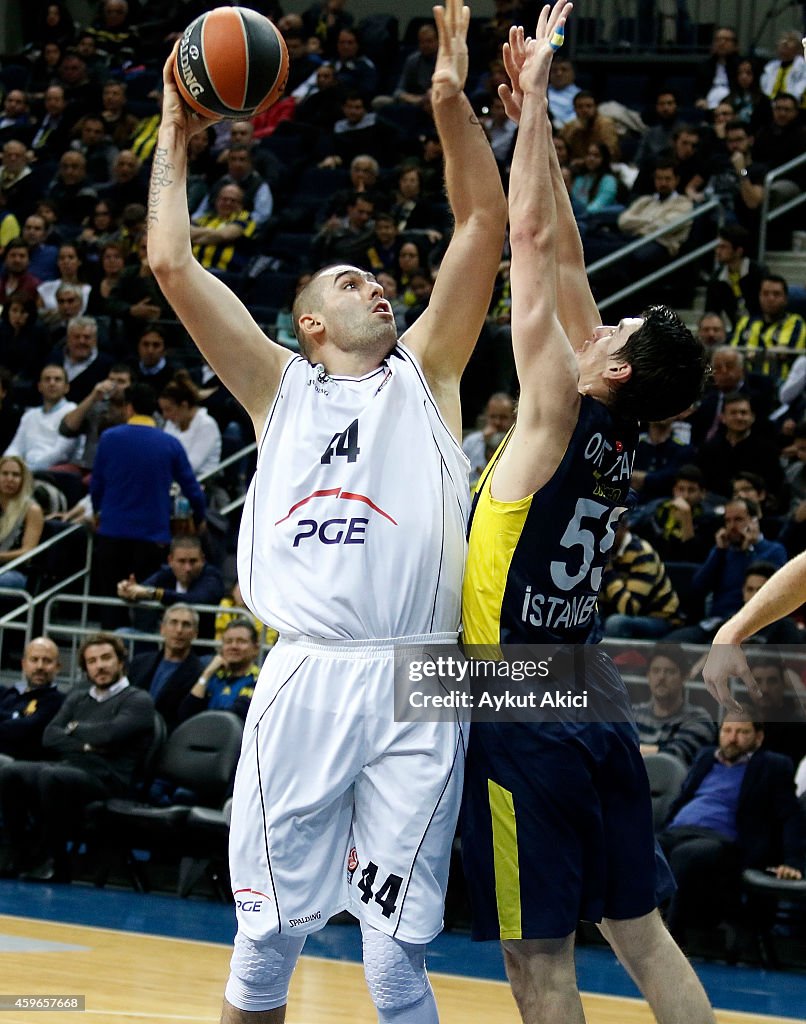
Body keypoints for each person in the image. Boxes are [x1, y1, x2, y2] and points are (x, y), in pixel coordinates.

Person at [146, 0, 506, 1020]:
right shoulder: (278, 387)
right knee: (265, 941)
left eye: (377, 278)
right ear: (309, 321)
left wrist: (448, 101)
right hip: (309, 667)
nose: (377, 288)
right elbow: (172, 266)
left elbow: (479, 224)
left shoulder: (428, 373)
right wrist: (176, 132)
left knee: (396, 964)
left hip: (421, 671)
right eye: (352, 282)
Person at [460, 12, 714, 1024]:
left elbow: (527, 245)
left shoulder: (554, 408)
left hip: (521, 692)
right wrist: (536, 126)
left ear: (610, 366)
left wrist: (544, 86)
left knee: (536, 955)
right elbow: (561, 251)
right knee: (640, 930)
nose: (596, 318)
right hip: (593, 682)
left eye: (610, 329)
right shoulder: (620, 420)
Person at [0, 632, 154, 882]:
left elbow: (110, 735)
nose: (100, 666)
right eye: (92, 661)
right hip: (73, 767)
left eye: (106, 658)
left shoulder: (138, 699)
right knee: (11, 772)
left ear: (120, 662)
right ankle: (16, 854)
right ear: (86, 668)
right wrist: (86, 745)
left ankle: (55, 862)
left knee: (52, 776)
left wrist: (74, 729)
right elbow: (50, 736)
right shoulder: (78, 697)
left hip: (110, 778)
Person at [658, 714, 806, 946]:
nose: (732, 738)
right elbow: (682, 799)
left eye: (742, 732)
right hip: (679, 831)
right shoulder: (706, 757)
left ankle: (669, 940)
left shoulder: (772, 765)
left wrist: (793, 862)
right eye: (727, 731)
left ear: (758, 737)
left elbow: (790, 816)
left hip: (724, 842)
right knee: (642, 848)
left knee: (685, 855)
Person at [665, 498, 788, 646]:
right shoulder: (723, 550)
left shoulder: (774, 551)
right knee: (668, 646)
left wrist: (749, 550)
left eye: (738, 520)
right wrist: (718, 551)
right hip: (717, 622)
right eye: (728, 521)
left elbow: (765, 588)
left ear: (754, 521)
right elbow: (697, 589)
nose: (732, 526)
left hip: (753, 625)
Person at [703, 549, 806, 709]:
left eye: (761, 590)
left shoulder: (785, 627)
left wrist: (732, 632)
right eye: (750, 589)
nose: (755, 595)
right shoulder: (727, 622)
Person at [631, 646, 717, 766]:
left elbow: (674, 756)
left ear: (684, 677)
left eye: (670, 672)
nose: (661, 677)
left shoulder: (698, 719)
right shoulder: (633, 714)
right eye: (655, 671)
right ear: (648, 676)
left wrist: (630, 751)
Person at [128, 603, 203, 733]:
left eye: (186, 625)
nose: (179, 630)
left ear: (195, 634)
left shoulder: (199, 672)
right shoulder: (139, 662)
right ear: (162, 629)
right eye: (173, 623)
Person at [177, 618, 261, 724]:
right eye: (228, 642)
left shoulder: (259, 680)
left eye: (241, 641)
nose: (234, 646)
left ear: (256, 649)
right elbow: (185, 714)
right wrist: (207, 673)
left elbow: (235, 715)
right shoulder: (213, 677)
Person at [4, 365, 82, 472]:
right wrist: (8, 463)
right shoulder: (30, 415)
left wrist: (26, 469)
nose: (52, 383)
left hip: (54, 473)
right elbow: (15, 447)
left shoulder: (73, 411)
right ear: (39, 387)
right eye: (47, 379)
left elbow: (61, 453)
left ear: (66, 387)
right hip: (25, 470)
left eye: (57, 379)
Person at [0, 636, 64, 763]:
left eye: (47, 661)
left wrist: (9, 717)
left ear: (57, 667)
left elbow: (25, 729)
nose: (40, 666)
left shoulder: (58, 701)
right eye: (34, 660)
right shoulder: (7, 693)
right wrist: (16, 716)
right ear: (23, 664)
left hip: (21, 763)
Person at [158, 371, 222, 478]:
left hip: (203, 483)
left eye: (168, 410)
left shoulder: (207, 425)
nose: (165, 416)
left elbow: (191, 466)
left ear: (184, 405)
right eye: (163, 410)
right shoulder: (171, 423)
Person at [0, 455, 45, 590]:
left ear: (23, 480)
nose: (10, 479)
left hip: (15, 572)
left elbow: (28, 552)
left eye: (16, 475)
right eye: (5, 474)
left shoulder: (32, 510)